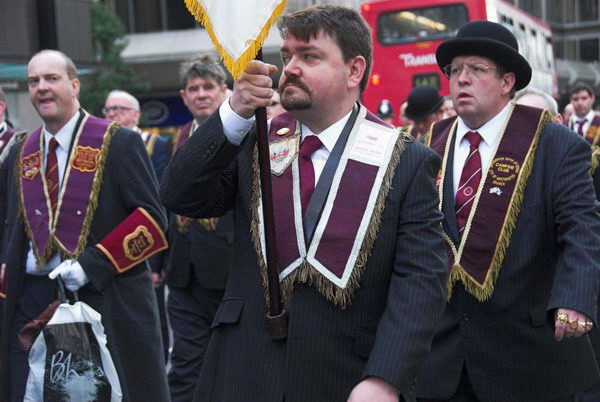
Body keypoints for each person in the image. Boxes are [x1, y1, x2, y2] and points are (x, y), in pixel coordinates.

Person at [161, 5, 448, 402]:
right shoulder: (255, 140)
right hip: (244, 371)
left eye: (309, 56)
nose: (290, 68)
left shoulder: (406, 159)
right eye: (286, 56)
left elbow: (420, 281)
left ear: (354, 70)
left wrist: (386, 378)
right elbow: (180, 195)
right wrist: (234, 111)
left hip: (348, 376)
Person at [417, 21, 600, 401]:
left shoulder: (555, 143)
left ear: (507, 82)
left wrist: (574, 296)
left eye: (477, 69)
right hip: (445, 361)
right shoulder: (427, 145)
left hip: (530, 357)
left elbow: (581, 227)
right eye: (455, 70)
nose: (461, 80)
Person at [0, 50, 170, 401]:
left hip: (104, 296)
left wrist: (93, 265)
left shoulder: (120, 141)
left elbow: (152, 221)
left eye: (52, 79)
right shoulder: (21, 152)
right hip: (33, 300)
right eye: (34, 82)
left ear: (74, 85)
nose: (42, 88)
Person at [165, 54, 234, 402]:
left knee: (232, 366)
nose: (201, 94)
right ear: (184, 97)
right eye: (194, 88)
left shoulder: (245, 138)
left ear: (225, 91)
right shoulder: (166, 143)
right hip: (181, 274)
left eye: (209, 87)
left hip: (230, 272)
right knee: (186, 368)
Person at [103, 89, 172, 362]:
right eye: (108, 110)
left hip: (146, 241)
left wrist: (157, 262)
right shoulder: (100, 146)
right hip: (109, 245)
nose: (112, 115)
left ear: (135, 114)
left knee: (151, 318)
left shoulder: (157, 145)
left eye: (118, 109)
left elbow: (159, 203)